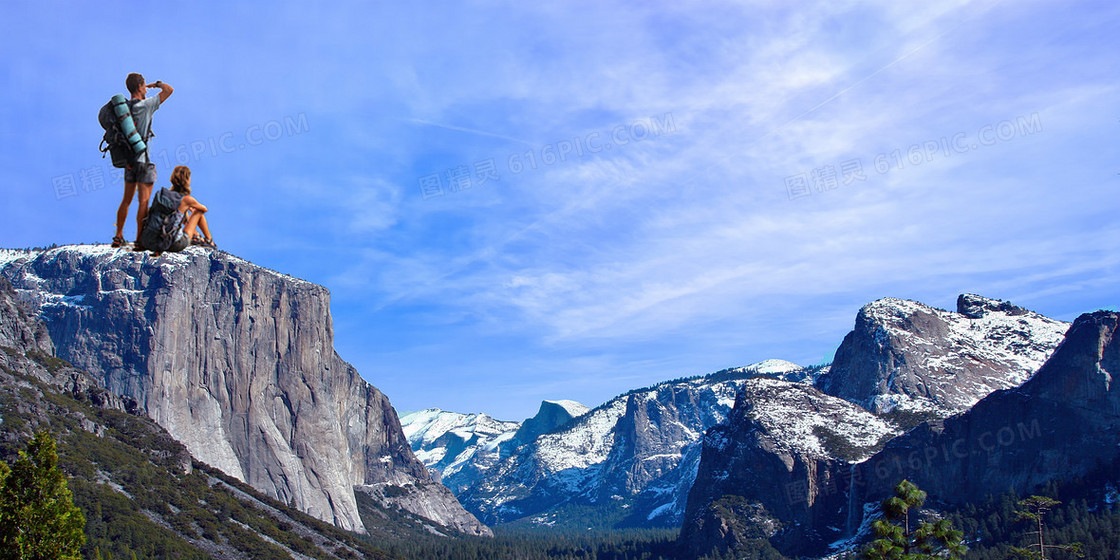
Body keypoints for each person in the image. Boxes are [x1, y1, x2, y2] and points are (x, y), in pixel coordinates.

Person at [111, 73, 173, 248]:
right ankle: (139, 240)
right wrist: (156, 84)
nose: (146, 88)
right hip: (143, 160)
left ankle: (118, 236)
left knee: (126, 200)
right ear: (139, 87)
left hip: (129, 160)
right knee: (143, 201)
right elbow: (169, 90)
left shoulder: (123, 109)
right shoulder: (146, 106)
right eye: (144, 85)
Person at [168, 165, 216, 249]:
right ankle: (209, 239)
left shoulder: (167, 196)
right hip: (177, 241)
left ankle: (196, 235)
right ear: (187, 180)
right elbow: (204, 209)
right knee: (198, 211)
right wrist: (192, 206)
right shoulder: (187, 199)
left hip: (163, 237)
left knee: (183, 210)